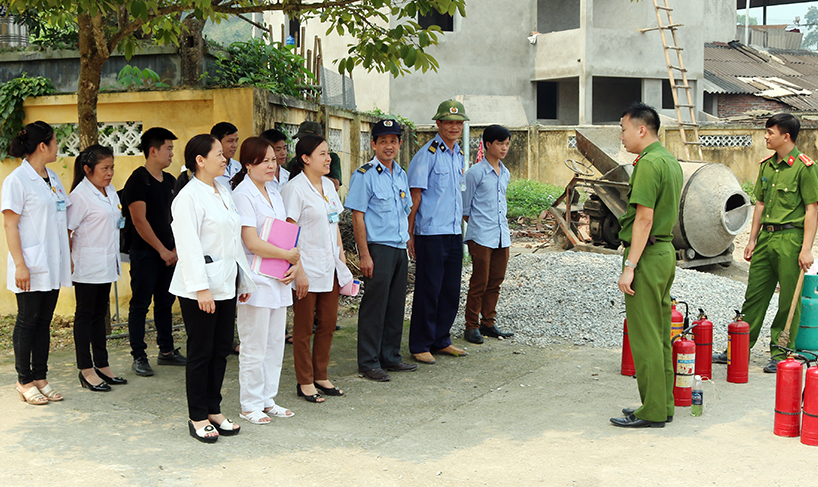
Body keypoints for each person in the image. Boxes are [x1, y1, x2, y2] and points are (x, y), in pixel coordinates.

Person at [713, 113, 818, 373]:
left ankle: (781, 352)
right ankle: (739, 347)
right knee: (755, 295)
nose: (766, 137)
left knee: (788, 300)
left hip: (790, 239)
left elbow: (812, 209)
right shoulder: (767, 166)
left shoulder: (804, 168)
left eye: (770, 132)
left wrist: (806, 249)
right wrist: (751, 239)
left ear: (786, 136)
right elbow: (759, 204)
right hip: (766, 239)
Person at [170, 134, 255, 443]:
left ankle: (214, 409)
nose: (224, 158)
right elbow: (188, 246)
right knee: (201, 352)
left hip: (227, 282)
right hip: (201, 288)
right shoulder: (188, 197)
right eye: (218, 154)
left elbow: (233, 241)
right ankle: (197, 415)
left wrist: (242, 279)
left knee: (220, 350)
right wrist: (201, 289)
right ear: (200, 160)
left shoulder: (223, 190)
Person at [610, 102, 682, 429]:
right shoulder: (668, 160)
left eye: (624, 129)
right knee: (661, 333)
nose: (621, 136)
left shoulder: (649, 164)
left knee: (645, 335)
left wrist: (630, 266)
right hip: (663, 252)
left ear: (641, 129)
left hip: (648, 256)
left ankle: (652, 410)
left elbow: (643, 219)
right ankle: (662, 404)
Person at [2, 121, 71, 405]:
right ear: (43, 146)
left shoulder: (52, 177)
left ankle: (40, 377)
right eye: (55, 142)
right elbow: (10, 225)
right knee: (27, 320)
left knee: (44, 321)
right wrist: (20, 265)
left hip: (52, 263)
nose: (58, 147)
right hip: (30, 264)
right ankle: (24, 380)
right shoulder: (17, 180)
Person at [231, 137, 300, 423]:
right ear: (248, 164)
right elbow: (251, 241)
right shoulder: (242, 194)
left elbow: (285, 232)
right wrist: (287, 255)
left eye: (273, 159)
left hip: (278, 275)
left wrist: (294, 263)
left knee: (274, 343)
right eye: (264, 161)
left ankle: (268, 399)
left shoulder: (274, 191)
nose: (272, 165)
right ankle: (249, 404)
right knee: (254, 345)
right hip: (255, 278)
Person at [345, 120, 419, 382]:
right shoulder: (364, 175)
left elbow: (405, 210)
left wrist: (407, 241)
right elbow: (358, 216)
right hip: (378, 248)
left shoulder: (400, 174)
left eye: (393, 141)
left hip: (398, 247)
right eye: (383, 141)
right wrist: (364, 254)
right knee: (374, 306)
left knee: (396, 304)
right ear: (373, 144)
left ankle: (390, 356)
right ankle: (368, 362)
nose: (389, 146)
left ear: (399, 144)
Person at [281, 134, 352, 403]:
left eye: (328, 153)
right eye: (322, 154)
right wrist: (297, 270)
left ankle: (321, 375)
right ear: (305, 158)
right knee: (302, 330)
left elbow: (334, 226)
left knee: (328, 323)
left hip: (329, 267)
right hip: (306, 268)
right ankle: (305, 381)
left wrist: (342, 262)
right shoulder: (294, 189)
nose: (328, 158)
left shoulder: (329, 186)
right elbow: (289, 234)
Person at [406, 100, 470, 364]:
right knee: (428, 290)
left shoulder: (459, 155)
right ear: (438, 124)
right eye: (449, 122)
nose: (454, 127)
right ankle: (420, 343)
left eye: (458, 123)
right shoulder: (427, 154)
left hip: (453, 231)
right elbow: (415, 196)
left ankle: (441, 339)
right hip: (430, 232)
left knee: (450, 289)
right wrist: (410, 233)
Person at [122, 127, 185, 377]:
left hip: (169, 254)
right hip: (145, 254)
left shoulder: (170, 181)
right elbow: (139, 221)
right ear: (153, 151)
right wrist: (161, 250)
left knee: (165, 303)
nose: (172, 154)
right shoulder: (138, 180)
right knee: (140, 304)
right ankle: (139, 355)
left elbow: (177, 218)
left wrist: (175, 249)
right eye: (168, 148)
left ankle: (166, 350)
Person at [67, 145, 127, 392]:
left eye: (112, 167)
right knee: (85, 316)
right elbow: (67, 230)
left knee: (100, 314)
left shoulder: (109, 190)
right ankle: (86, 369)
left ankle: (102, 364)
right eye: (104, 168)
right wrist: (69, 260)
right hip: (87, 265)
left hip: (106, 263)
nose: (110, 173)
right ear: (87, 169)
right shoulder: (79, 196)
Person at [462, 125, 515, 345]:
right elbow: (465, 209)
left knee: (495, 281)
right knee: (479, 282)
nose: (504, 148)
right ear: (487, 145)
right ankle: (471, 326)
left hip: (502, 235)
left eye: (507, 144)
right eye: (500, 143)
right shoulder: (475, 173)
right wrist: (480, 227)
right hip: (481, 236)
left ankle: (488, 322)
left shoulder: (506, 173)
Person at [284, 121, 343, 191]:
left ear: (318, 137)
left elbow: (335, 185)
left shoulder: (332, 158)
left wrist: (314, 176)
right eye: (300, 139)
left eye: (327, 153)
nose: (328, 159)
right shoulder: (294, 162)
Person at [212, 122, 242, 190]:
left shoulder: (238, 166)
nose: (235, 145)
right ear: (217, 142)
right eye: (230, 141)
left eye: (236, 141)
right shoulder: (209, 170)